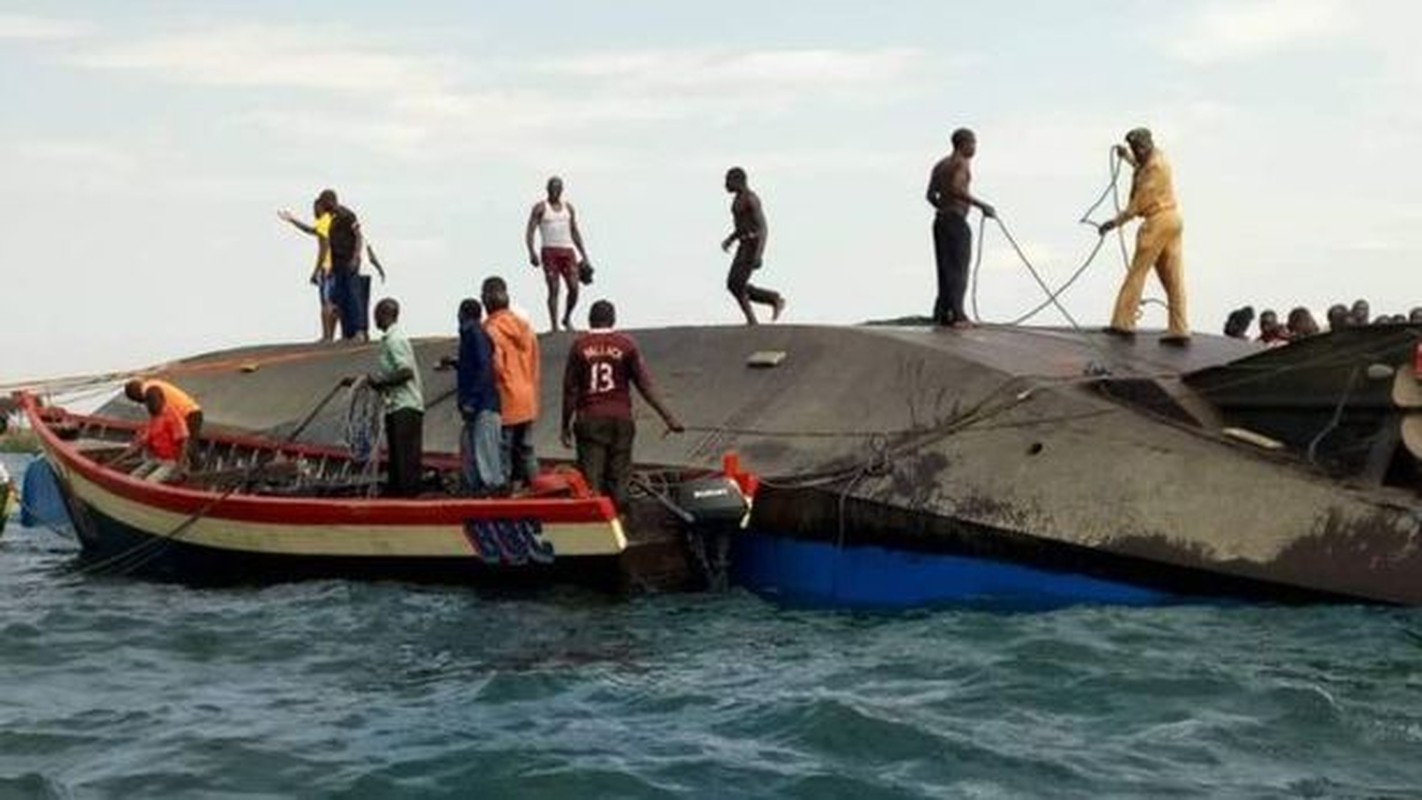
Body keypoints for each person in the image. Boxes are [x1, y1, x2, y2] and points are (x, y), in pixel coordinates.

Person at [561, 300, 684, 510]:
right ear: (613, 319)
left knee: (592, 481)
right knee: (620, 478)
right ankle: (623, 519)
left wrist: (565, 424)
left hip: (590, 420)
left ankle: (598, 526)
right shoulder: (627, 345)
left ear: (590, 319)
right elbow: (645, 385)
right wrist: (669, 418)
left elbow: (571, 390)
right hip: (621, 421)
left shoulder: (580, 346)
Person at [1099, 128, 1189, 345]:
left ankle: (1123, 322)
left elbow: (1137, 205)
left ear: (1144, 145)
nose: (1137, 152)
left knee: (1138, 271)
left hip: (1157, 221)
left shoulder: (1154, 169)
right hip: (1173, 218)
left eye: (1137, 149)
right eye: (1134, 150)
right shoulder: (1158, 158)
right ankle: (1179, 329)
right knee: (1173, 278)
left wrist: (1114, 223)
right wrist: (1127, 158)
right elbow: (1143, 166)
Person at [925, 128, 996, 328]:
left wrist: (944, 209)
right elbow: (957, 188)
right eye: (973, 143)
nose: (974, 148)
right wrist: (982, 206)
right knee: (958, 267)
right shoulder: (960, 163)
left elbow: (930, 195)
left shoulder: (940, 165)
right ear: (964, 143)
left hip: (941, 221)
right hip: (956, 221)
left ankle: (943, 312)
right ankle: (957, 314)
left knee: (945, 268)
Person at [359, 298, 425, 497]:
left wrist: (380, 382)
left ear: (385, 315)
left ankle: (407, 499)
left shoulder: (395, 340)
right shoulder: (389, 340)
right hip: (395, 406)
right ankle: (397, 495)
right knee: (397, 457)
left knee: (405, 458)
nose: (374, 319)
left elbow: (406, 372)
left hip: (405, 406)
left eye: (376, 314)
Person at [439, 298, 505, 495]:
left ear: (462, 314)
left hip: (482, 404)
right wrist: (456, 363)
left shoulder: (474, 334)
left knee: (485, 451)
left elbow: (484, 368)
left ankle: (492, 487)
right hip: (480, 404)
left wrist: (472, 400)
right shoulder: (477, 335)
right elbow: (477, 364)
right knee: (470, 447)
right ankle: (475, 486)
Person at [482, 277, 541, 487]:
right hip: (527, 396)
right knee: (527, 448)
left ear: (487, 299)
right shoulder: (526, 328)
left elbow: (494, 366)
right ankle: (538, 490)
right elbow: (534, 363)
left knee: (503, 450)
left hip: (504, 399)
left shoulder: (489, 330)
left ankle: (504, 493)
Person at [525, 176, 592, 333]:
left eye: (558, 188)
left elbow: (574, 231)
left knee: (574, 288)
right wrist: (531, 251)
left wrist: (585, 255)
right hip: (549, 251)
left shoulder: (568, 208)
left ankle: (567, 317)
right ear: (547, 189)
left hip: (568, 251)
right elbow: (530, 231)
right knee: (554, 289)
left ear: (562, 190)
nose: (555, 191)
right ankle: (554, 326)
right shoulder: (540, 208)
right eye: (552, 187)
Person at [721, 167, 786, 325]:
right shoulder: (737, 200)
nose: (725, 185)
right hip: (743, 244)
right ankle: (772, 299)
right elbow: (742, 226)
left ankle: (759, 313)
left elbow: (762, 227)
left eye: (728, 181)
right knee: (733, 284)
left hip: (753, 244)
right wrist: (731, 238)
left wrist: (759, 253)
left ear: (738, 181)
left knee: (737, 284)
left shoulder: (751, 199)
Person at [277, 199, 339, 342]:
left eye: (315, 208)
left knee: (326, 302)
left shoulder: (324, 221)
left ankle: (327, 336)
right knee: (334, 301)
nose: (314, 212)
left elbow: (324, 247)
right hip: (336, 265)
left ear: (322, 207)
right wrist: (293, 220)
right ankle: (331, 335)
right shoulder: (330, 220)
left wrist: (317, 269)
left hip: (327, 266)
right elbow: (311, 230)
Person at [124, 378, 203, 470]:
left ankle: (190, 472)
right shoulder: (151, 384)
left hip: (189, 414)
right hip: (191, 412)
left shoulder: (150, 391)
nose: (142, 403)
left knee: (189, 446)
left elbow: (157, 414)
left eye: (138, 400)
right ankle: (186, 468)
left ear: (135, 394)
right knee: (188, 445)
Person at [120, 387, 189, 483]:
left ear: (162, 400)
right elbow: (142, 442)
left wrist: (178, 469)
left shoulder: (172, 416)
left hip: (171, 461)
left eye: (152, 402)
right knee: (132, 477)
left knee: (150, 481)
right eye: (148, 403)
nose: (149, 405)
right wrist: (122, 457)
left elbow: (184, 442)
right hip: (156, 459)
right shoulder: (154, 417)